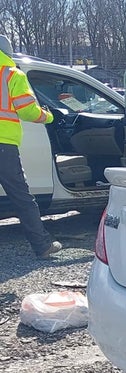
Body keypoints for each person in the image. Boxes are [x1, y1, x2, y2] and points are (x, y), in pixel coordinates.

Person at [0, 34, 61, 259]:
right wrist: (48, 117)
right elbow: (27, 110)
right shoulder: (11, 74)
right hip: (3, 146)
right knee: (21, 197)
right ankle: (42, 246)